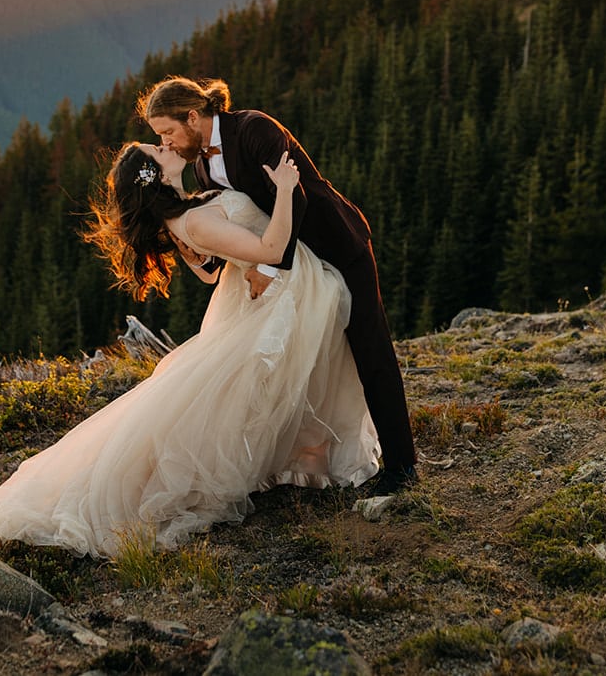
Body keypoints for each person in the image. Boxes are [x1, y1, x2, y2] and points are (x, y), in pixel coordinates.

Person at [0, 141, 379, 557]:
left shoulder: (185, 212)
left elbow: (208, 271)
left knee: (252, 393)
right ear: (156, 173)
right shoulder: (193, 221)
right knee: (250, 393)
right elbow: (272, 251)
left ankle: (298, 456)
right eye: (157, 147)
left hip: (258, 294)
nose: (166, 144)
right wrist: (288, 190)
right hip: (283, 291)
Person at [138, 76, 419, 494]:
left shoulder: (254, 129)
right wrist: (203, 254)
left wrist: (271, 269)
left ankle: (401, 465)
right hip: (293, 268)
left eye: (168, 132)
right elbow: (240, 220)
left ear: (192, 116)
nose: (168, 142)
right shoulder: (199, 165)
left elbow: (297, 195)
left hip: (336, 246)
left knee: (370, 350)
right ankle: (304, 464)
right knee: (300, 362)